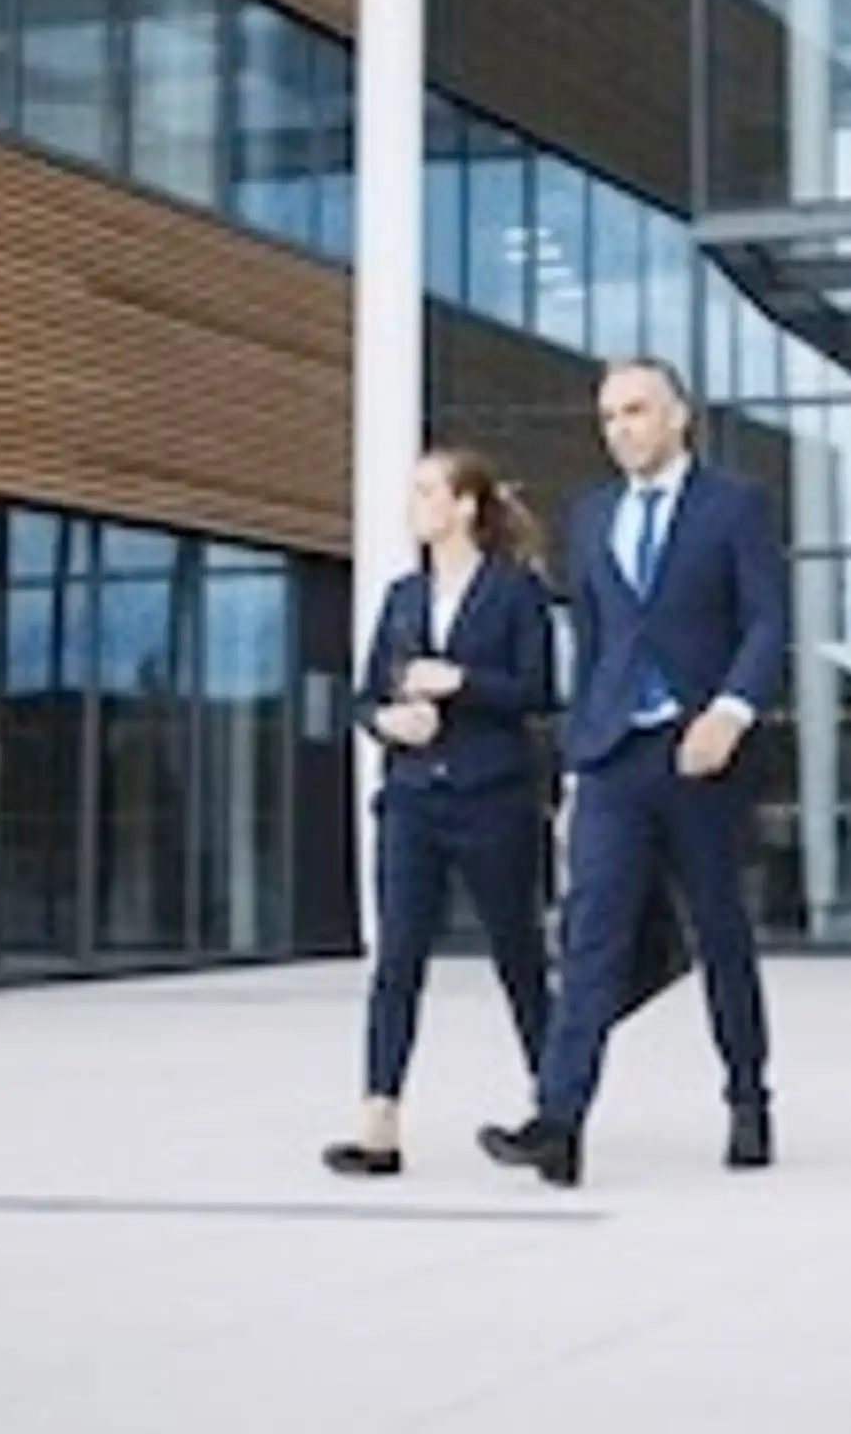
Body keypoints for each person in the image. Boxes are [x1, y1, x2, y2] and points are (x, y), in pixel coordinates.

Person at [480, 357, 785, 1188]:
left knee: (721, 934)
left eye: (637, 411)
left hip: (702, 753)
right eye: (609, 416)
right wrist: (579, 754)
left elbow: (766, 622)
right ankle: (560, 1120)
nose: (621, 429)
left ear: (679, 415)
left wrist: (730, 711)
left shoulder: (735, 505)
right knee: (589, 939)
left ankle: (748, 1097)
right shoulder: (590, 513)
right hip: (614, 755)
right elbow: (598, 639)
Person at [323, 448, 558, 1179]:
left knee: (517, 955)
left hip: (493, 800)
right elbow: (364, 698)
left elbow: (538, 691)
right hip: (412, 801)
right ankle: (379, 1123)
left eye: (427, 491)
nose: (414, 503)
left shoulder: (517, 593)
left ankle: (557, 1110)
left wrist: (461, 681)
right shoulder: (400, 597)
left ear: (465, 505)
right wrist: (389, 723)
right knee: (396, 961)